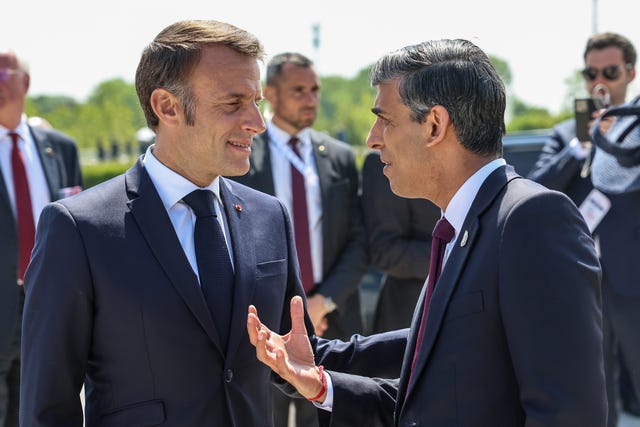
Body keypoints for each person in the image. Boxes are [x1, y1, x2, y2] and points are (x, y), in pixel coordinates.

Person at [248, 38, 607, 427]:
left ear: (434, 125)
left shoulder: (531, 219)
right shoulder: (462, 224)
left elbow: (569, 415)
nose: (372, 137)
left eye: (384, 119)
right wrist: (318, 376)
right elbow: (431, 397)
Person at [19, 20, 322, 427]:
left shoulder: (270, 216)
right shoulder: (78, 229)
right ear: (167, 107)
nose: (257, 122)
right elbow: (48, 407)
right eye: (233, 103)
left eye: (256, 102)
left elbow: (296, 354)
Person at [231, 52, 368, 427]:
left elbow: (359, 240)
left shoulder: (338, 157)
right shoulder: (241, 156)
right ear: (270, 94)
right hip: (267, 330)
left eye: (315, 90)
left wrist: (321, 304)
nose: (310, 99)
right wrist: (288, 315)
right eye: (298, 90)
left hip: (335, 321)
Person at [528, 31, 639, 426]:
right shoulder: (564, 135)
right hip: (578, 279)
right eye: (591, 73)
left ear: (630, 72)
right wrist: (582, 145)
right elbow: (535, 188)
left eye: (610, 72)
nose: (600, 82)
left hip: (633, 278)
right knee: (594, 393)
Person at [0, 50, 82, 427]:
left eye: (4, 72)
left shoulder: (59, 147)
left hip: (48, 296)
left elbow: (77, 214)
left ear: (26, 82)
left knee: (38, 404)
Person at [361, 149, 440, 333]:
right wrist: (458, 253)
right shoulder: (385, 161)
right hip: (410, 319)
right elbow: (386, 251)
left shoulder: (474, 155)